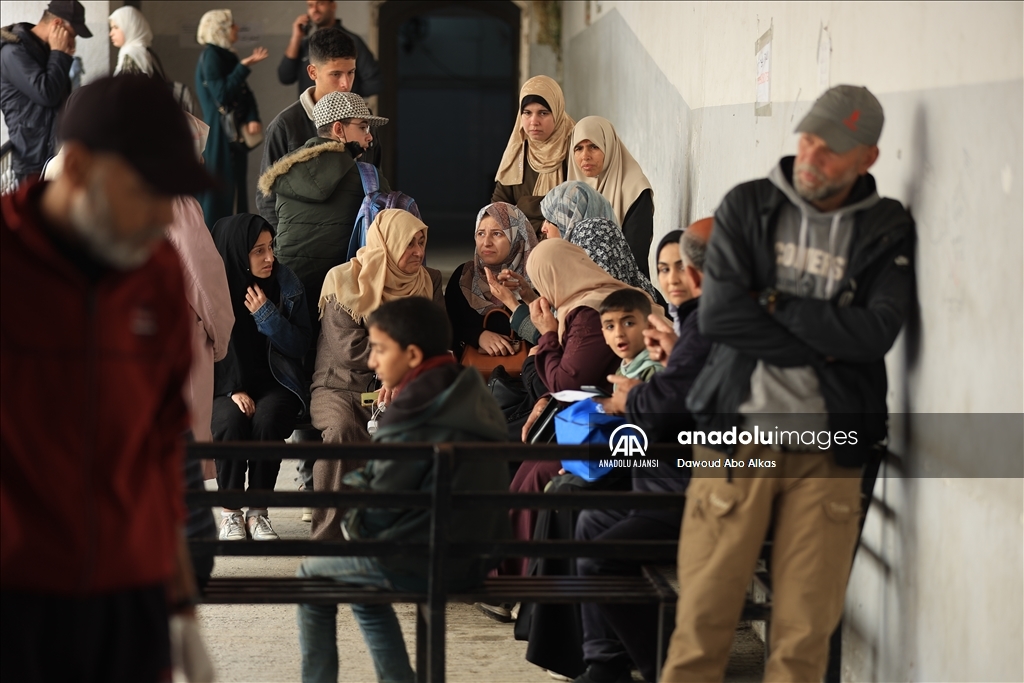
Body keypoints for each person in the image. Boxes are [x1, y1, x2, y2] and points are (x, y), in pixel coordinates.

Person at [661, 86, 916, 682]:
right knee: (702, 626)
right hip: (739, 442)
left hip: (829, 453)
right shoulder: (749, 205)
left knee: (804, 642)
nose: (811, 157)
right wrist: (830, 343)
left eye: (831, 150)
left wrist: (773, 301)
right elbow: (722, 317)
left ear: (867, 159)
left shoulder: (884, 226)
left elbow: (876, 333)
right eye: (808, 139)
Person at [1, 74, 214, 682]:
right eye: (147, 192)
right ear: (77, 170)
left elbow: (162, 448)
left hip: (130, 595)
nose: (163, 216)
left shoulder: (156, 274)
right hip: (16, 597)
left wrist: (181, 605)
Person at [297, 297, 509, 683]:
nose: (373, 361)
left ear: (411, 355)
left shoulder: (410, 411)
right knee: (364, 589)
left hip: (431, 560)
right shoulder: (469, 387)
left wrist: (359, 489)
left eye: (380, 349)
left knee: (313, 575)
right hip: (480, 553)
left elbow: (373, 519)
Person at [310, 209, 444, 541]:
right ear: (387, 243)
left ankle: (398, 537)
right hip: (341, 386)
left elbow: (437, 340)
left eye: (421, 242)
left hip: (404, 385)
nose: (418, 252)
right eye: (409, 244)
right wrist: (403, 364)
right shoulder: (343, 281)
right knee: (342, 430)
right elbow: (351, 349)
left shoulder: (428, 281)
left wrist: (404, 379)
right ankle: (328, 539)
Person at [211, 213, 312, 542]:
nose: (270, 258)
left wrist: (267, 315)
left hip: (277, 382)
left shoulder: (286, 284)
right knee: (230, 423)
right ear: (238, 253)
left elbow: (300, 345)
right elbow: (201, 349)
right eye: (259, 251)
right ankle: (230, 513)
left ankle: (258, 512)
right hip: (224, 387)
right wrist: (231, 389)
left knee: (267, 421)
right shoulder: (212, 290)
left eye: (271, 247)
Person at [258, 90, 390, 330]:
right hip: (340, 296)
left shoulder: (287, 172)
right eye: (363, 127)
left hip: (288, 285)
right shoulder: (367, 177)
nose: (370, 137)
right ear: (339, 129)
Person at [259, 28, 380, 229]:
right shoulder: (285, 125)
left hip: (356, 238)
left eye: (351, 72)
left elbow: (375, 183)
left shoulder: (365, 121)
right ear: (312, 72)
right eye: (336, 74)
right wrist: (285, 242)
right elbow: (267, 196)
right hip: (302, 240)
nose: (345, 84)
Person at [194, 9, 269, 228]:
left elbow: (244, 93)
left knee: (233, 184)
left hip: (230, 133)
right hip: (220, 133)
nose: (236, 28)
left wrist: (253, 116)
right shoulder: (212, 56)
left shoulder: (226, 55)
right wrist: (243, 67)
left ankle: (235, 234)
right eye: (231, 25)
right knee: (221, 187)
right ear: (219, 30)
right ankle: (218, 236)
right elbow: (222, 94)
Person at [0, 1, 89, 183]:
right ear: (57, 24)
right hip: (32, 159)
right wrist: (60, 55)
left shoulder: (45, 50)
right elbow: (46, 94)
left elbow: (61, 97)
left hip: (50, 155)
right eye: (72, 34)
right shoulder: (13, 51)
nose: (72, 42)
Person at [445, 201, 538, 357]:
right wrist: (477, 336)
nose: (486, 242)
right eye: (481, 233)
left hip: (528, 370)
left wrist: (523, 299)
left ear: (517, 237)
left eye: (497, 234)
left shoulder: (536, 280)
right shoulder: (464, 277)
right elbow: (446, 329)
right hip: (471, 370)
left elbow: (549, 336)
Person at [540, 182, 660, 301]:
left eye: (550, 220)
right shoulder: (588, 241)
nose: (543, 228)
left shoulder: (594, 237)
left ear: (569, 219)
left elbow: (599, 303)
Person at [569, 116, 655, 277]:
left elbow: (634, 257)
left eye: (594, 146)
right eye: (578, 148)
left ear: (608, 146)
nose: (585, 156)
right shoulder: (575, 192)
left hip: (625, 285)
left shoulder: (634, 189)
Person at [492, 75, 576, 235]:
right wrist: (542, 219)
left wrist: (524, 205)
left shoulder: (576, 148)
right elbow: (498, 210)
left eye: (543, 113)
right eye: (527, 113)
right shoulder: (517, 152)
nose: (534, 121)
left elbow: (576, 210)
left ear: (557, 112)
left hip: (564, 244)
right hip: (521, 243)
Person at [280, 0, 380, 100]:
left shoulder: (351, 41)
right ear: (312, 72)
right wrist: (296, 37)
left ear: (333, 6)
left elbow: (375, 83)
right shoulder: (307, 44)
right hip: (310, 109)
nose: (315, 9)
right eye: (310, 5)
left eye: (320, 3)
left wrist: (346, 96)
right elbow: (285, 77)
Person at [599, 288, 663, 386]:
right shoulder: (621, 371)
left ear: (650, 327)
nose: (618, 333)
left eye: (628, 323)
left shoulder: (655, 371)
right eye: (610, 326)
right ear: (604, 335)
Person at [652, 230, 691, 331]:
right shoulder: (678, 317)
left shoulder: (716, 323)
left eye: (682, 268)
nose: (672, 280)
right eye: (665, 269)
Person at [108, 5, 160, 77]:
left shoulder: (132, 55)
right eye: (111, 28)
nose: (111, 34)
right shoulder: (144, 52)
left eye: (116, 27)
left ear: (130, 28)